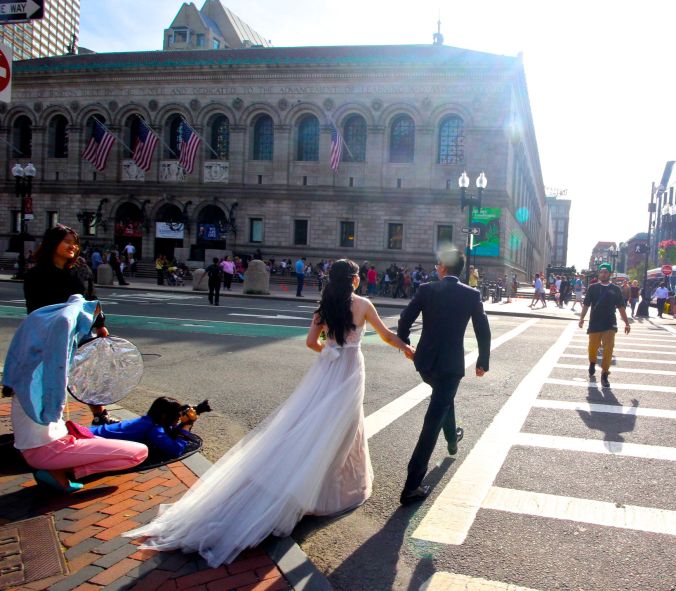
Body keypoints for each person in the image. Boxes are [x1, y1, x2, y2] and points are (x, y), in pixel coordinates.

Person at [126, 259, 414, 565]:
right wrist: (407, 348)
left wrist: (329, 352)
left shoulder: (325, 305)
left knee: (312, 423)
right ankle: (334, 488)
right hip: (351, 372)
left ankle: (315, 482)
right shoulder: (363, 304)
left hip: (327, 370)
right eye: (356, 277)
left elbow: (310, 342)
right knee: (345, 426)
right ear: (354, 280)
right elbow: (385, 335)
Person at [4, 295, 148, 492]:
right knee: (138, 453)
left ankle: (56, 469)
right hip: (48, 450)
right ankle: (63, 470)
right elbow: (58, 375)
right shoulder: (48, 376)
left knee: (110, 444)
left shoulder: (28, 372)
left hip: (49, 443)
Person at [397, 248, 491, 504]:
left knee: (442, 401)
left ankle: (452, 440)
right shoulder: (471, 294)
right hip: (450, 366)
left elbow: (405, 319)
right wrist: (483, 360)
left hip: (425, 363)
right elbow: (483, 329)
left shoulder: (426, 290)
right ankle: (411, 486)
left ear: (441, 267)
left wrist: (405, 343)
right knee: (433, 419)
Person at [23, 225, 118, 426]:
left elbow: (91, 299)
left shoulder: (79, 270)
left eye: (74, 242)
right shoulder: (36, 275)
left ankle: (100, 415)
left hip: (79, 332)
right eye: (66, 241)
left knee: (87, 373)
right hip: (51, 334)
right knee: (52, 377)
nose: (72, 246)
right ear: (52, 243)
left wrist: (100, 324)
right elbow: (35, 310)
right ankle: (46, 420)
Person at [90, 397, 209, 459]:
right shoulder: (154, 429)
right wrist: (186, 426)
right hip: (91, 440)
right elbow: (175, 450)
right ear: (165, 415)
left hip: (90, 434)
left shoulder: (149, 421)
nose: (179, 417)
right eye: (176, 414)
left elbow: (169, 433)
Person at [578, 263, 631, 389]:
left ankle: (605, 374)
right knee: (592, 347)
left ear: (610, 274)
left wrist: (627, 323)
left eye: (605, 272)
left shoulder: (616, 289)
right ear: (599, 273)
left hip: (609, 324)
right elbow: (586, 304)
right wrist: (581, 318)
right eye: (601, 272)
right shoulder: (593, 288)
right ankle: (592, 362)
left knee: (608, 349)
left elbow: (621, 307)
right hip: (595, 323)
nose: (603, 274)